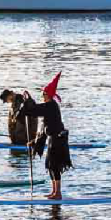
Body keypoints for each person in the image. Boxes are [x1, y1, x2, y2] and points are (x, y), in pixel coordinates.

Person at [20, 72, 72, 200]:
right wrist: (34, 142)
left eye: (43, 94)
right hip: (52, 139)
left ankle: (57, 193)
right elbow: (42, 126)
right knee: (50, 165)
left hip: (58, 140)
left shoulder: (51, 106)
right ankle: (54, 191)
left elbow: (34, 110)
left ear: (48, 95)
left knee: (54, 165)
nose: (42, 96)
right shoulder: (49, 106)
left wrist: (28, 101)